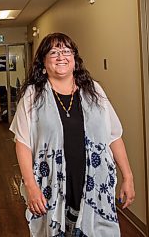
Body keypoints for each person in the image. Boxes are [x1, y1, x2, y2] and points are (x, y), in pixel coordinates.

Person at [10, 33, 135, 237]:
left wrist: (128, 177)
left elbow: (114, 135)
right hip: (52, 186)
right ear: (43, 62)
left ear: (75, 59)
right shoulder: (33, 96)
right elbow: (22, 143)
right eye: (54, 52)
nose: (61, 56)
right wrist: (31, 186)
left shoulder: (94, 90)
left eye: (67, 51)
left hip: (95, 185)